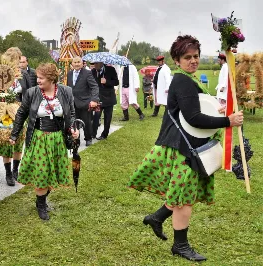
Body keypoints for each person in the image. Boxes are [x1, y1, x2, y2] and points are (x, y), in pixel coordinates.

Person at [128, 35, 244, 261]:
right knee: (184, 198)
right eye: (187, 57)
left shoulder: (188, 78)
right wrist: (228, 121)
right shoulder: (182, 80)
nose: (193, 61)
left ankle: (156, 218)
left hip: (185, 145)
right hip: (183, 148)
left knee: (182, 192)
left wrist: (218, 111)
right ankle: (180, 245)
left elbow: (195, 107)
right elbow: (193, 118)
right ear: (177, 60)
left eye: (196, 56)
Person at [9, 63, 79, 220]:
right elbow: (21, 114)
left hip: (57, 139)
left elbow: (71, 113)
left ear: (51, 79)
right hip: (39, 138)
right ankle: (41, 205)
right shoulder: (32, 92)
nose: (37, 80)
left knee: (52, 172)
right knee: (42, 173)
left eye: (41, 78)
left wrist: (73, 128)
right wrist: (14, 135)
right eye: (37, 77)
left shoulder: (66, 91)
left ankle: (42, 198)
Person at [0, 47, 31, 186]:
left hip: (21, 112)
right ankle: (8, 173)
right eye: (14, 60)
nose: (17, 64)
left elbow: (28, 93)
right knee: (6, 144)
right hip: (5, 113)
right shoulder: (0, 74)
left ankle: (16, 170)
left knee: (19, 142)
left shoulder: (24, 74)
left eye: (18, 61)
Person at [67, 57, 99, 146]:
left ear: (82, 63)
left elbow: (94, 87)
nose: (77, 64)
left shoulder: (87, 73)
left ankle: (88, 138)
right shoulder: (69, 74)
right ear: (72, 63)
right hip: (72, 103)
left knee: (86, 122)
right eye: (75, 62)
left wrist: (94, 100)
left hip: (85, 102)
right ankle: (76, 140)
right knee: (74, 122)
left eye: (78, 62)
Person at [91, 62, 119, 140]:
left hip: (109, 98)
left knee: (107, 118)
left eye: (96, 64)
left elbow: (116, 82)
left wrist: (107, 82)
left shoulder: (111, 70)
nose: (95, 65)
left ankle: (104, 134)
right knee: (96, 116)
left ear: (101, 63)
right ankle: (93, 134)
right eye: (94, 64)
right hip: (98, 98)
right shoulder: (93, 71)